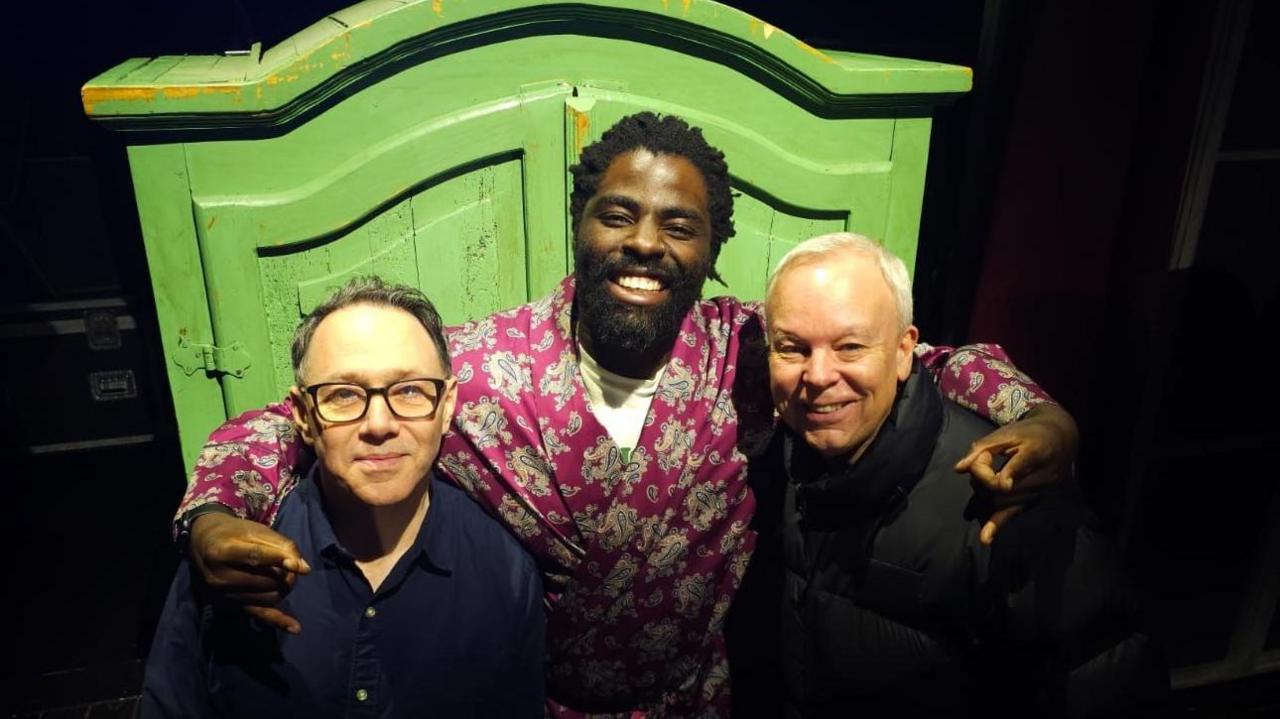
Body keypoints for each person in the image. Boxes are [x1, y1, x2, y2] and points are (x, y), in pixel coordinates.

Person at [173, 112, 1080, 715]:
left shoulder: (748, 356)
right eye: (618, 213)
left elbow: (930, 359)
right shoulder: (482, 368)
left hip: (704, 703)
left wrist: (1044, 421)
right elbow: (283, 421)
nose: (645, 241)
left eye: (678, 224)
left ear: (712, 246)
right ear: (580, 222)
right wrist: (214, 515)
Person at [729, 233, 1161, 717]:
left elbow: (1106, 673)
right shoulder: (775, 460)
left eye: (850, 346)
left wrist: (1051, 420)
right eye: (792, 348)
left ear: (903, 350)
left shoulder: (1006, 493)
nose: (818, 375)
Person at [143, 278, 545, 718]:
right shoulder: (232, 562)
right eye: (343, 395)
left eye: (409, 390)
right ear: (302, 415)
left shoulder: (504, 570)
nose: (378, 424)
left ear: (446, 405)